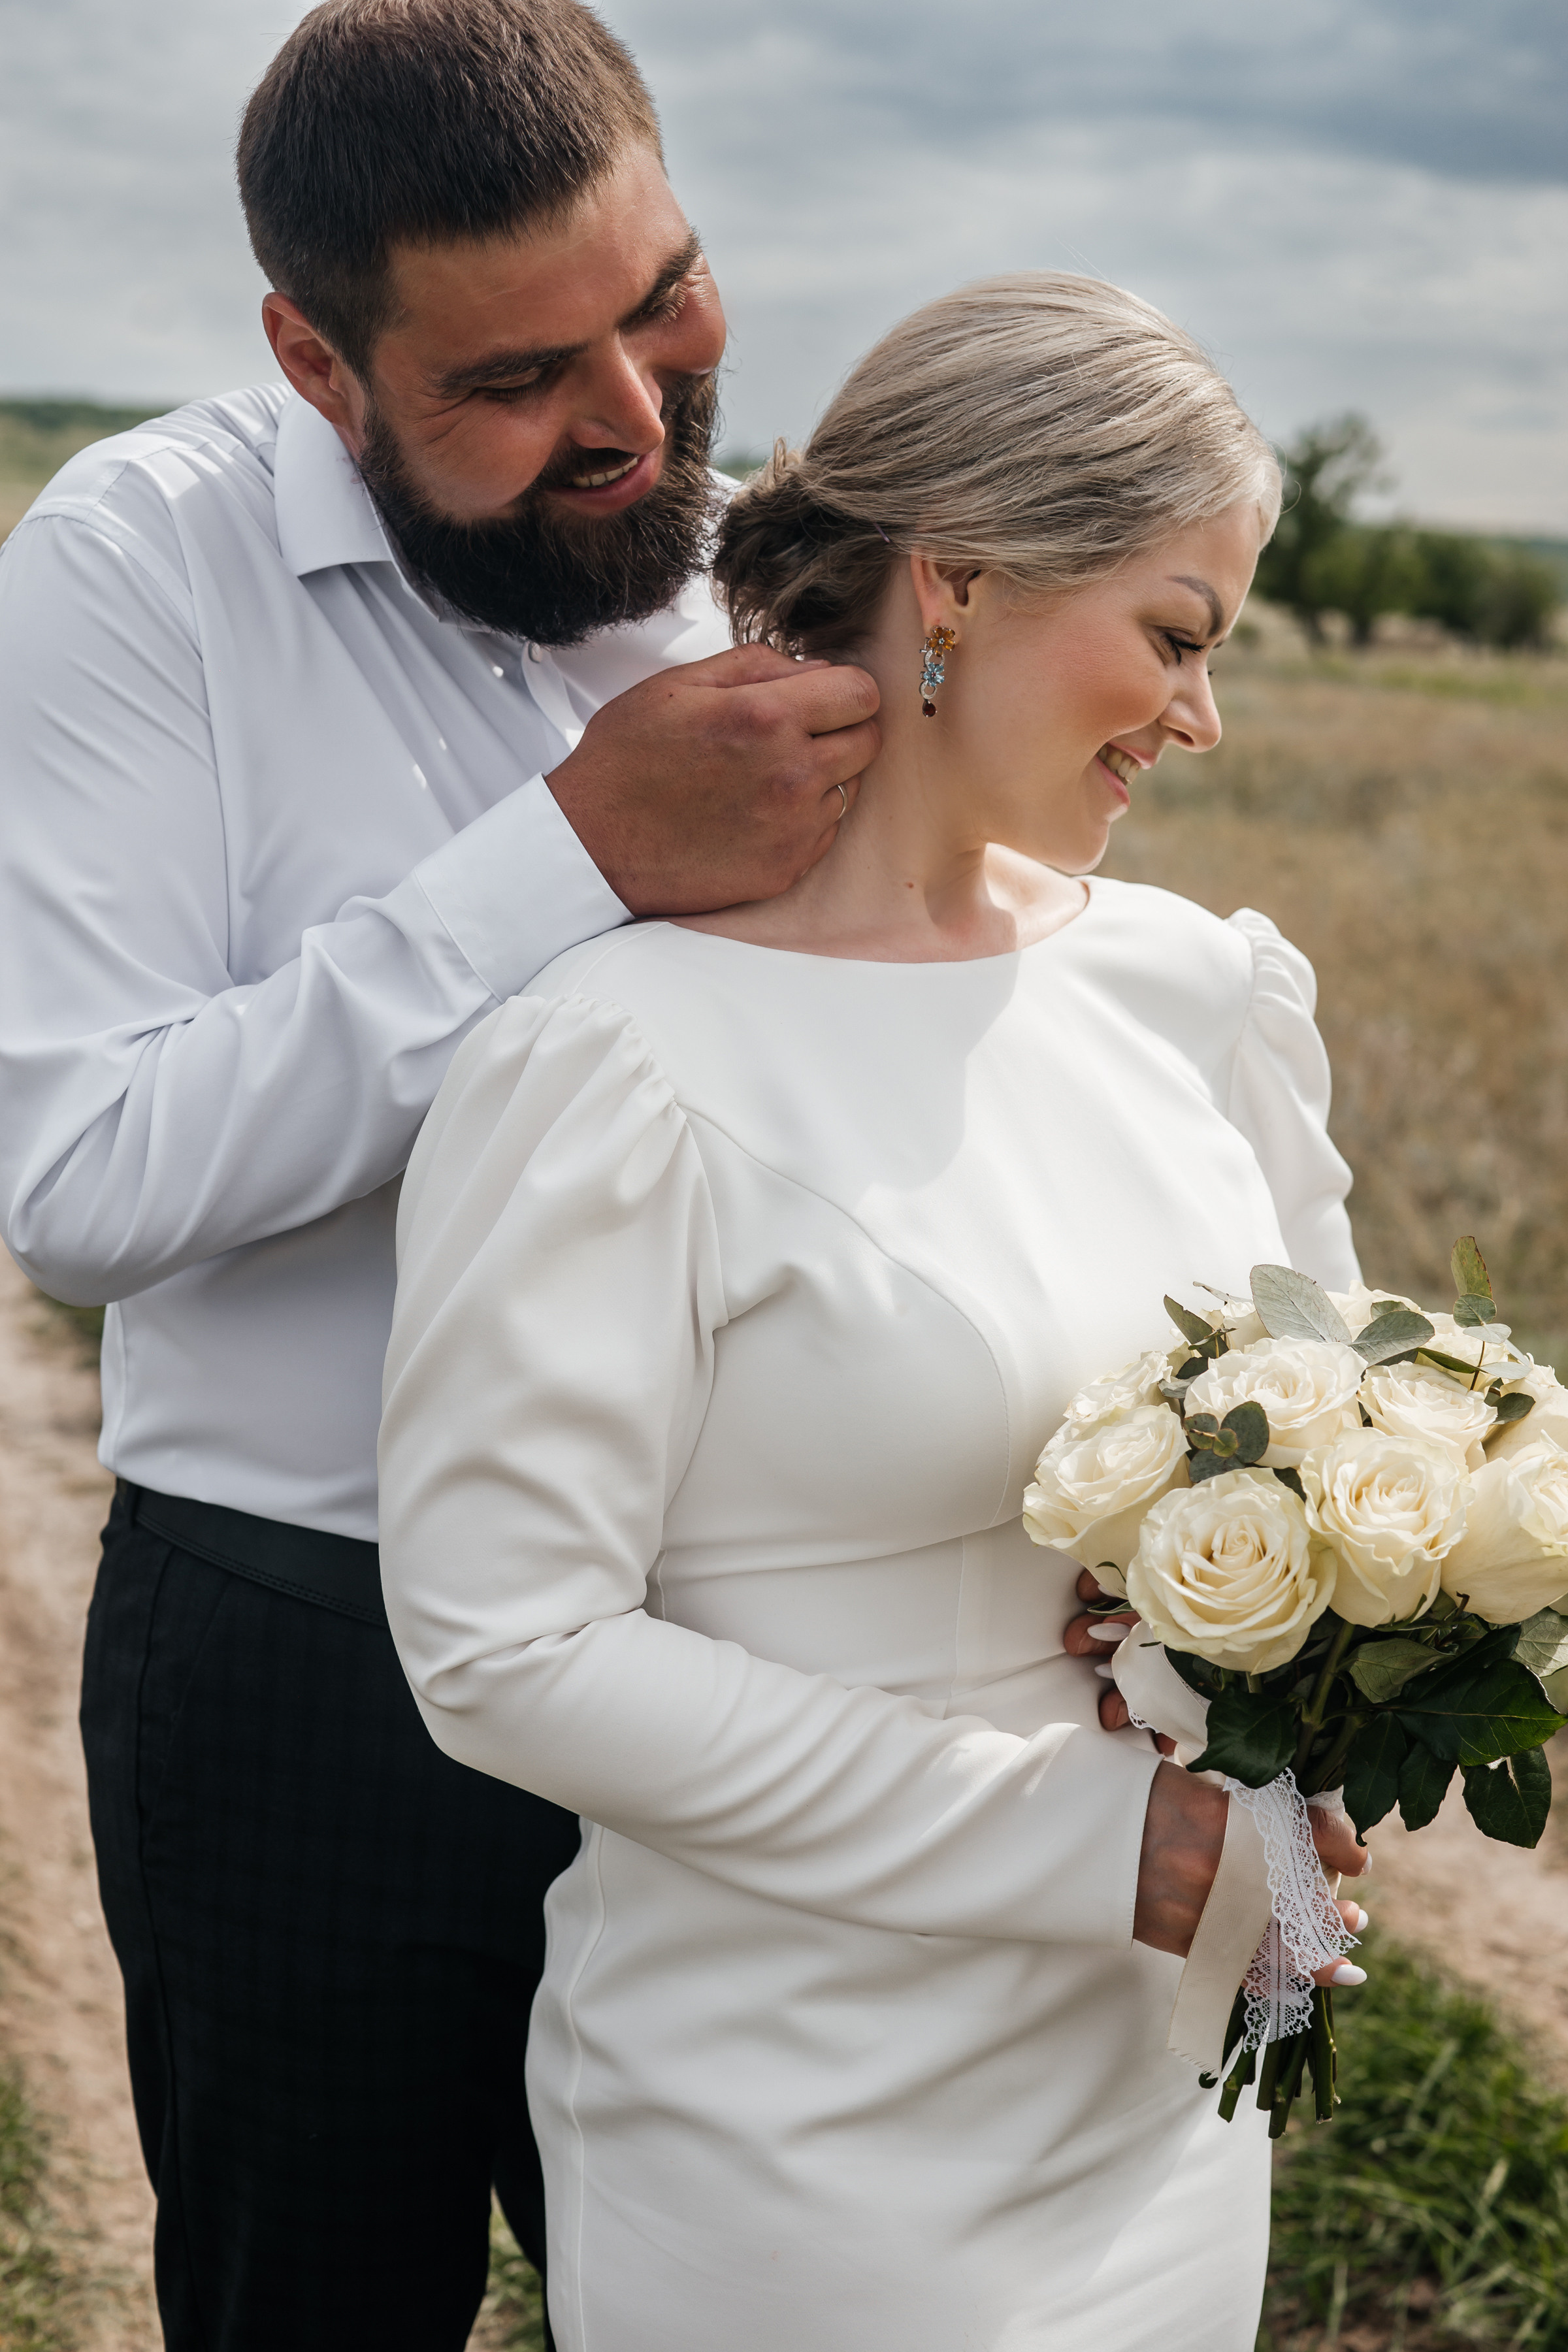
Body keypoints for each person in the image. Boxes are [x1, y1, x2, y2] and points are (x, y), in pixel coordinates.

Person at [378, 271, 1372, 2352]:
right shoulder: (624, 1060)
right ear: (959, 584)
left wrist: (1310, 1729)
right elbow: (506, 1647)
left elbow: (1345, 1445)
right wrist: (1091, 1842)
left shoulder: (1196, 995)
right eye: (1176, 636)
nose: (1201, 716)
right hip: (800, 2136)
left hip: (1160, 2102)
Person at [0, 3, 879, 2346]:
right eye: (510, 380)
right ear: (316, 360)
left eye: (664, 296)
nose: (626, 412)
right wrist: (574, 856)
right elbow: (76, 1174)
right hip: (319, 1656)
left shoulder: (748, 548)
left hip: (746, 1659)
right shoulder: (132, 567)